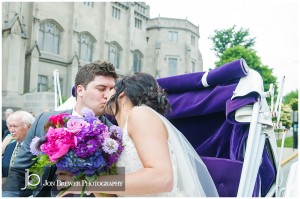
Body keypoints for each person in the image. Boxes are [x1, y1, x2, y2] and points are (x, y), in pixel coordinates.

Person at [57, 72, 219, 197]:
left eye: (111, 89)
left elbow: (162, 178)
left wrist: (89, 184)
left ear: (122, 94)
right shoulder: (119, 134)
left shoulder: (140, 114)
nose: (105, 95)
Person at [2, 61, 118, 197]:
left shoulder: (113, 135)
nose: (108, 95)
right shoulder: (44, 121)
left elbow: (118, 183)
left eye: (111, 90)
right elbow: (20, 171)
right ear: (80, 90)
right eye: (101, 88)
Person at [2, 111, 35, 181]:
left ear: (29, 127)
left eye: (15, 126)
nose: (11, 130)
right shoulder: (9, 147)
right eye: (10, 126)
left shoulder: (37, 148)